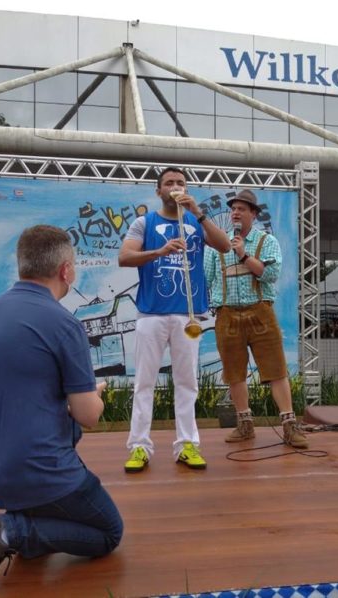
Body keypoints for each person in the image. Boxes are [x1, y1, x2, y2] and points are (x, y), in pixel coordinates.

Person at [0, 225, 123, 594]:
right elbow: (88, 416)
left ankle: (20, 519)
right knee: (109, 532)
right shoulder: (63, 323)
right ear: (66, 271)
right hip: (30, 469)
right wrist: (93, 394)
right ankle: (9, 531)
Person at [118, 167, 230, 472]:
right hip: (151, 314)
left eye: (181, 182)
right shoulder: (145, 222)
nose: (176, 187)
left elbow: (225, 246)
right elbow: (124, 257)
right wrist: (160, 251)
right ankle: (139, 446)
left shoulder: (195, 220)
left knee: (187, 383)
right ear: (159, 191)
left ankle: (187, 445)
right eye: (169, 183)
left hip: (187, 316)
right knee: (144, 383)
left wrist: (199, 213)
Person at [203, 189, 309, 449]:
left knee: (276, 370)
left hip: (260, 311)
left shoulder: (267, 241)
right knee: (235, 373)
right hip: (227, 313)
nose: (236, 213)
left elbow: (270, 275)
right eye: (233, 208)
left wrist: (243, 254)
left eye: (242, 208)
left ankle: (289, 425)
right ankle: (245, 424)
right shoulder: (216, 244)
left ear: (253, 213)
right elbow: (208, 280)